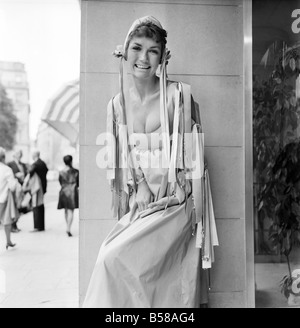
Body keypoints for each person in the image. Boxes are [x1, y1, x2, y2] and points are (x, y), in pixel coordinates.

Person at [83, 16, 218, 308]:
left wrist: (185, 201)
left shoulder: (177, 95)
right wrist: (141, 185)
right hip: (143, 202)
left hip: (177, 201)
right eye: (137, 47)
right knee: (115, 262)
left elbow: (192, 155)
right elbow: (124, 154)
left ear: (163, 57)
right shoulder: (117, 104)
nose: (143, 58)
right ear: (124, 51)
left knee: (155, 277)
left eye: (153, 50)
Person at [0, 147, 17, 250]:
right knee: (6, 221)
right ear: (3, 158)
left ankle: (9, 241)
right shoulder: (7, 170)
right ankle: (8, 241)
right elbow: (12, 186)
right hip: (3, 199)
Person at [57, 155, 79, 237]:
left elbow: (60, 182)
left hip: (64, 192)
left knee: (66, 211)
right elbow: (78, 182)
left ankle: (67, 227)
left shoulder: (61, 172)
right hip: (72, 192)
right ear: (71, 161)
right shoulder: (76, 171)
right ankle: (68, 228)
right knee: (71, 211)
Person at [8, 149, 28, 232]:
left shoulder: (23, 165)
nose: (19, 155)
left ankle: (15, 224)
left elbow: (27, 174)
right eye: (17, 153)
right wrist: (16, 175)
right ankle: (13, 225)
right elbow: (9, 176)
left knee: (19, 207)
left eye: (20, 153)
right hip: (14, 188)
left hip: (22, 188)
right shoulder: (10, 164)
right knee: (13, 207)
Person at [28, 150, 48, 232]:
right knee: (41, 206)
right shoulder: (43, 163)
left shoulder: (35, 164)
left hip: (37, 188)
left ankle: (37, 226)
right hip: (42, 187)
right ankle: (41, 226)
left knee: (36, 206)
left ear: (34, 155)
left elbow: (30, 172)